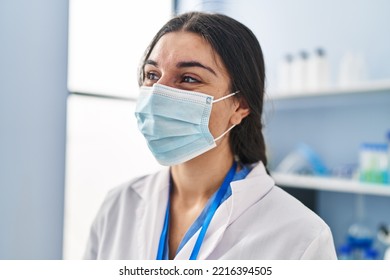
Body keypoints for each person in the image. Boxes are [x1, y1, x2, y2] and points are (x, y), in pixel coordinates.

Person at [83, 11, 337, 260]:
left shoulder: (302, 236)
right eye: (152, 75)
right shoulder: (118, 205)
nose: (158, 93)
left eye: (189, 78)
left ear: (240, 106)